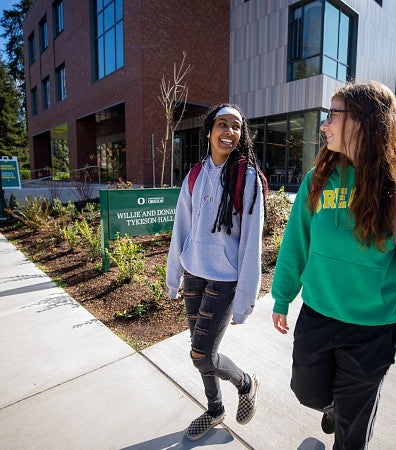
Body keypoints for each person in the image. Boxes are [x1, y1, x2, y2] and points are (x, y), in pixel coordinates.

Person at [271, 81, 396, 449]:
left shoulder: (392, 190)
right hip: (318, 315)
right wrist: (282, 297)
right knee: (305, 391)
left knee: (352, 431)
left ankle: (344, 416)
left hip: (372, 330)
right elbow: (296, 243)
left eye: (332, 114)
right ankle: (333, 407)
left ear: (362, 120)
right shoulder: (318, 180)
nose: (324, 124)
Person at [166, 103, 267, 441]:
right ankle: (215, 409)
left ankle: (246, 382)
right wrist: (173, 276)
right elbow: (181, 228)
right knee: (199, 350)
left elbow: (252, 243)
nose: (230, 131)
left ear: (242, 134)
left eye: (236, 126)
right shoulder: (194, 175)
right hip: (194, 272)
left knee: (201, 354)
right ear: (209, 131)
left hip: (225, 279)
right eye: (222, 124)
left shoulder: (248, 178)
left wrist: (244, 300)